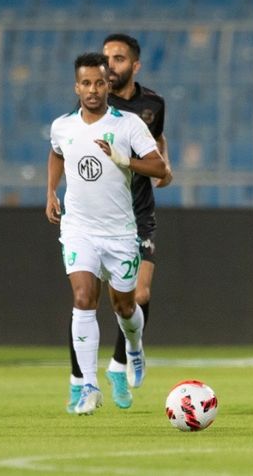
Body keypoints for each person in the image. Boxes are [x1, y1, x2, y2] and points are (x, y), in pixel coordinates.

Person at [47, 52, 168, 415]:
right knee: (83, 298)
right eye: (86, 83)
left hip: (119, 233)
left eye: (99, 82)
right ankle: (88, 386)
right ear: (77, 86)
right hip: (79, 229)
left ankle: (134, 347)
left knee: (125, 306)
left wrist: (123, 159)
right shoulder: (63, 126)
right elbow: (56, 153)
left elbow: (159, 167)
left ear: (108, 84)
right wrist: (51, 191)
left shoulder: (128, 124)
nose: (93, 89)